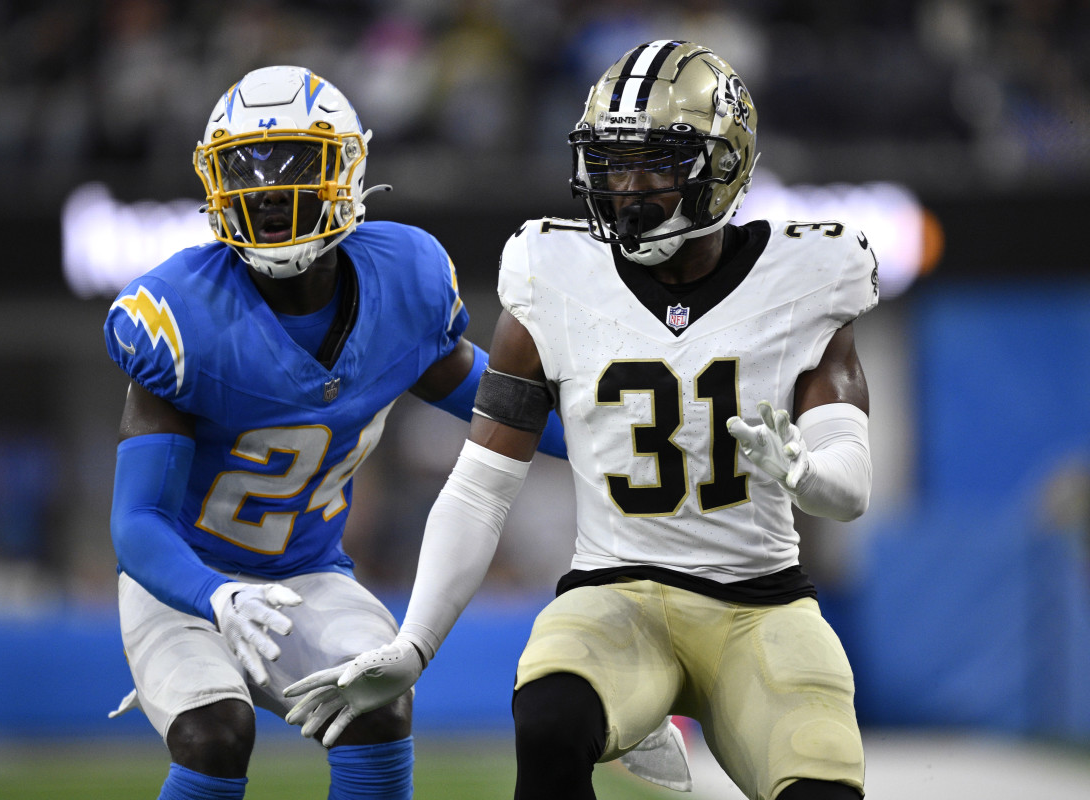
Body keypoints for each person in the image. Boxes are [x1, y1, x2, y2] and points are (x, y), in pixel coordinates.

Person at [285, 40, 879, 800]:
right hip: (616, 594)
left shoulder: (810, 276)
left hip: (760, 605)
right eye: (610, 162)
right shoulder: (553, 278)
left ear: (723, 163)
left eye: (653, 162)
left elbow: (852, 488)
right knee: (549, 721)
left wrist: (805, 473)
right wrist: (415, 643)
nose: (623, 186)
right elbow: (481, 486)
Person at [103, 64, 569, 800]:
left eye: (294, 164)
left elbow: (506, 410)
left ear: (347, 168)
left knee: (377, 702)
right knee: (215, 735)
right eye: (246, 170)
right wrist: (214, 595)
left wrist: (620, 433)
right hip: (184, 585)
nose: (270, 191)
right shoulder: (181, 314)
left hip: (307, 575)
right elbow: (136, 521)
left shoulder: (403, 281)